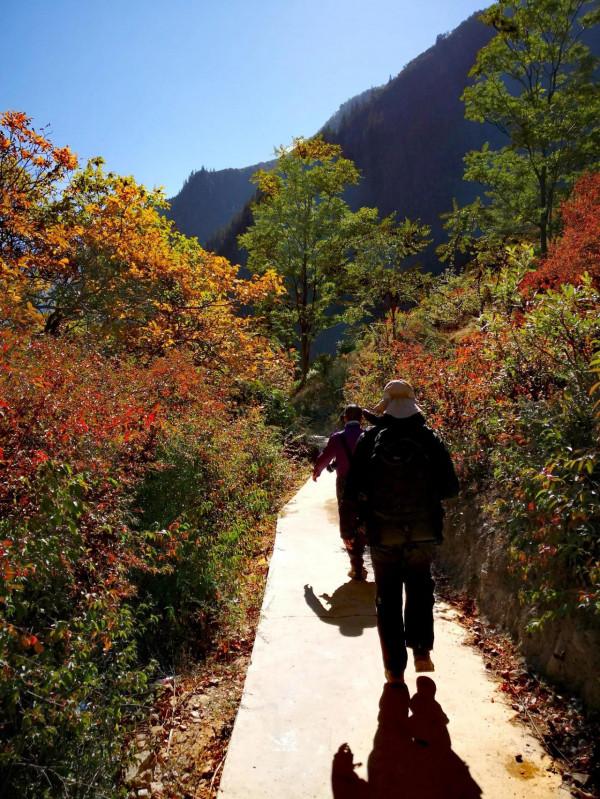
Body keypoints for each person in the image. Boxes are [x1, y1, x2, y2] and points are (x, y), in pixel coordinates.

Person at [341, 380, 459, 683]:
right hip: (423, 531)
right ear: (414, 402)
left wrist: (353, 526)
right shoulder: (430, 438)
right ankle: (421, 652)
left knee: (388, 597)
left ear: (386, 404)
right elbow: (451, 488)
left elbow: (351, 490)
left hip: (383, 533)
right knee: (420, 587)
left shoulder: (370, 439)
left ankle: (394, 669)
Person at [313, 404, 367, 580]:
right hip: (366, 484)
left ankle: (356, 565)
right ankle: (362, 543)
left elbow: (325, 456)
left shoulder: (338, 438)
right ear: (362, 419)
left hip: (344, 483)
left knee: (347, 519)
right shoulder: (368, 436)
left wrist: (317, 471)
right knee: (365, 516)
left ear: (344, 418)